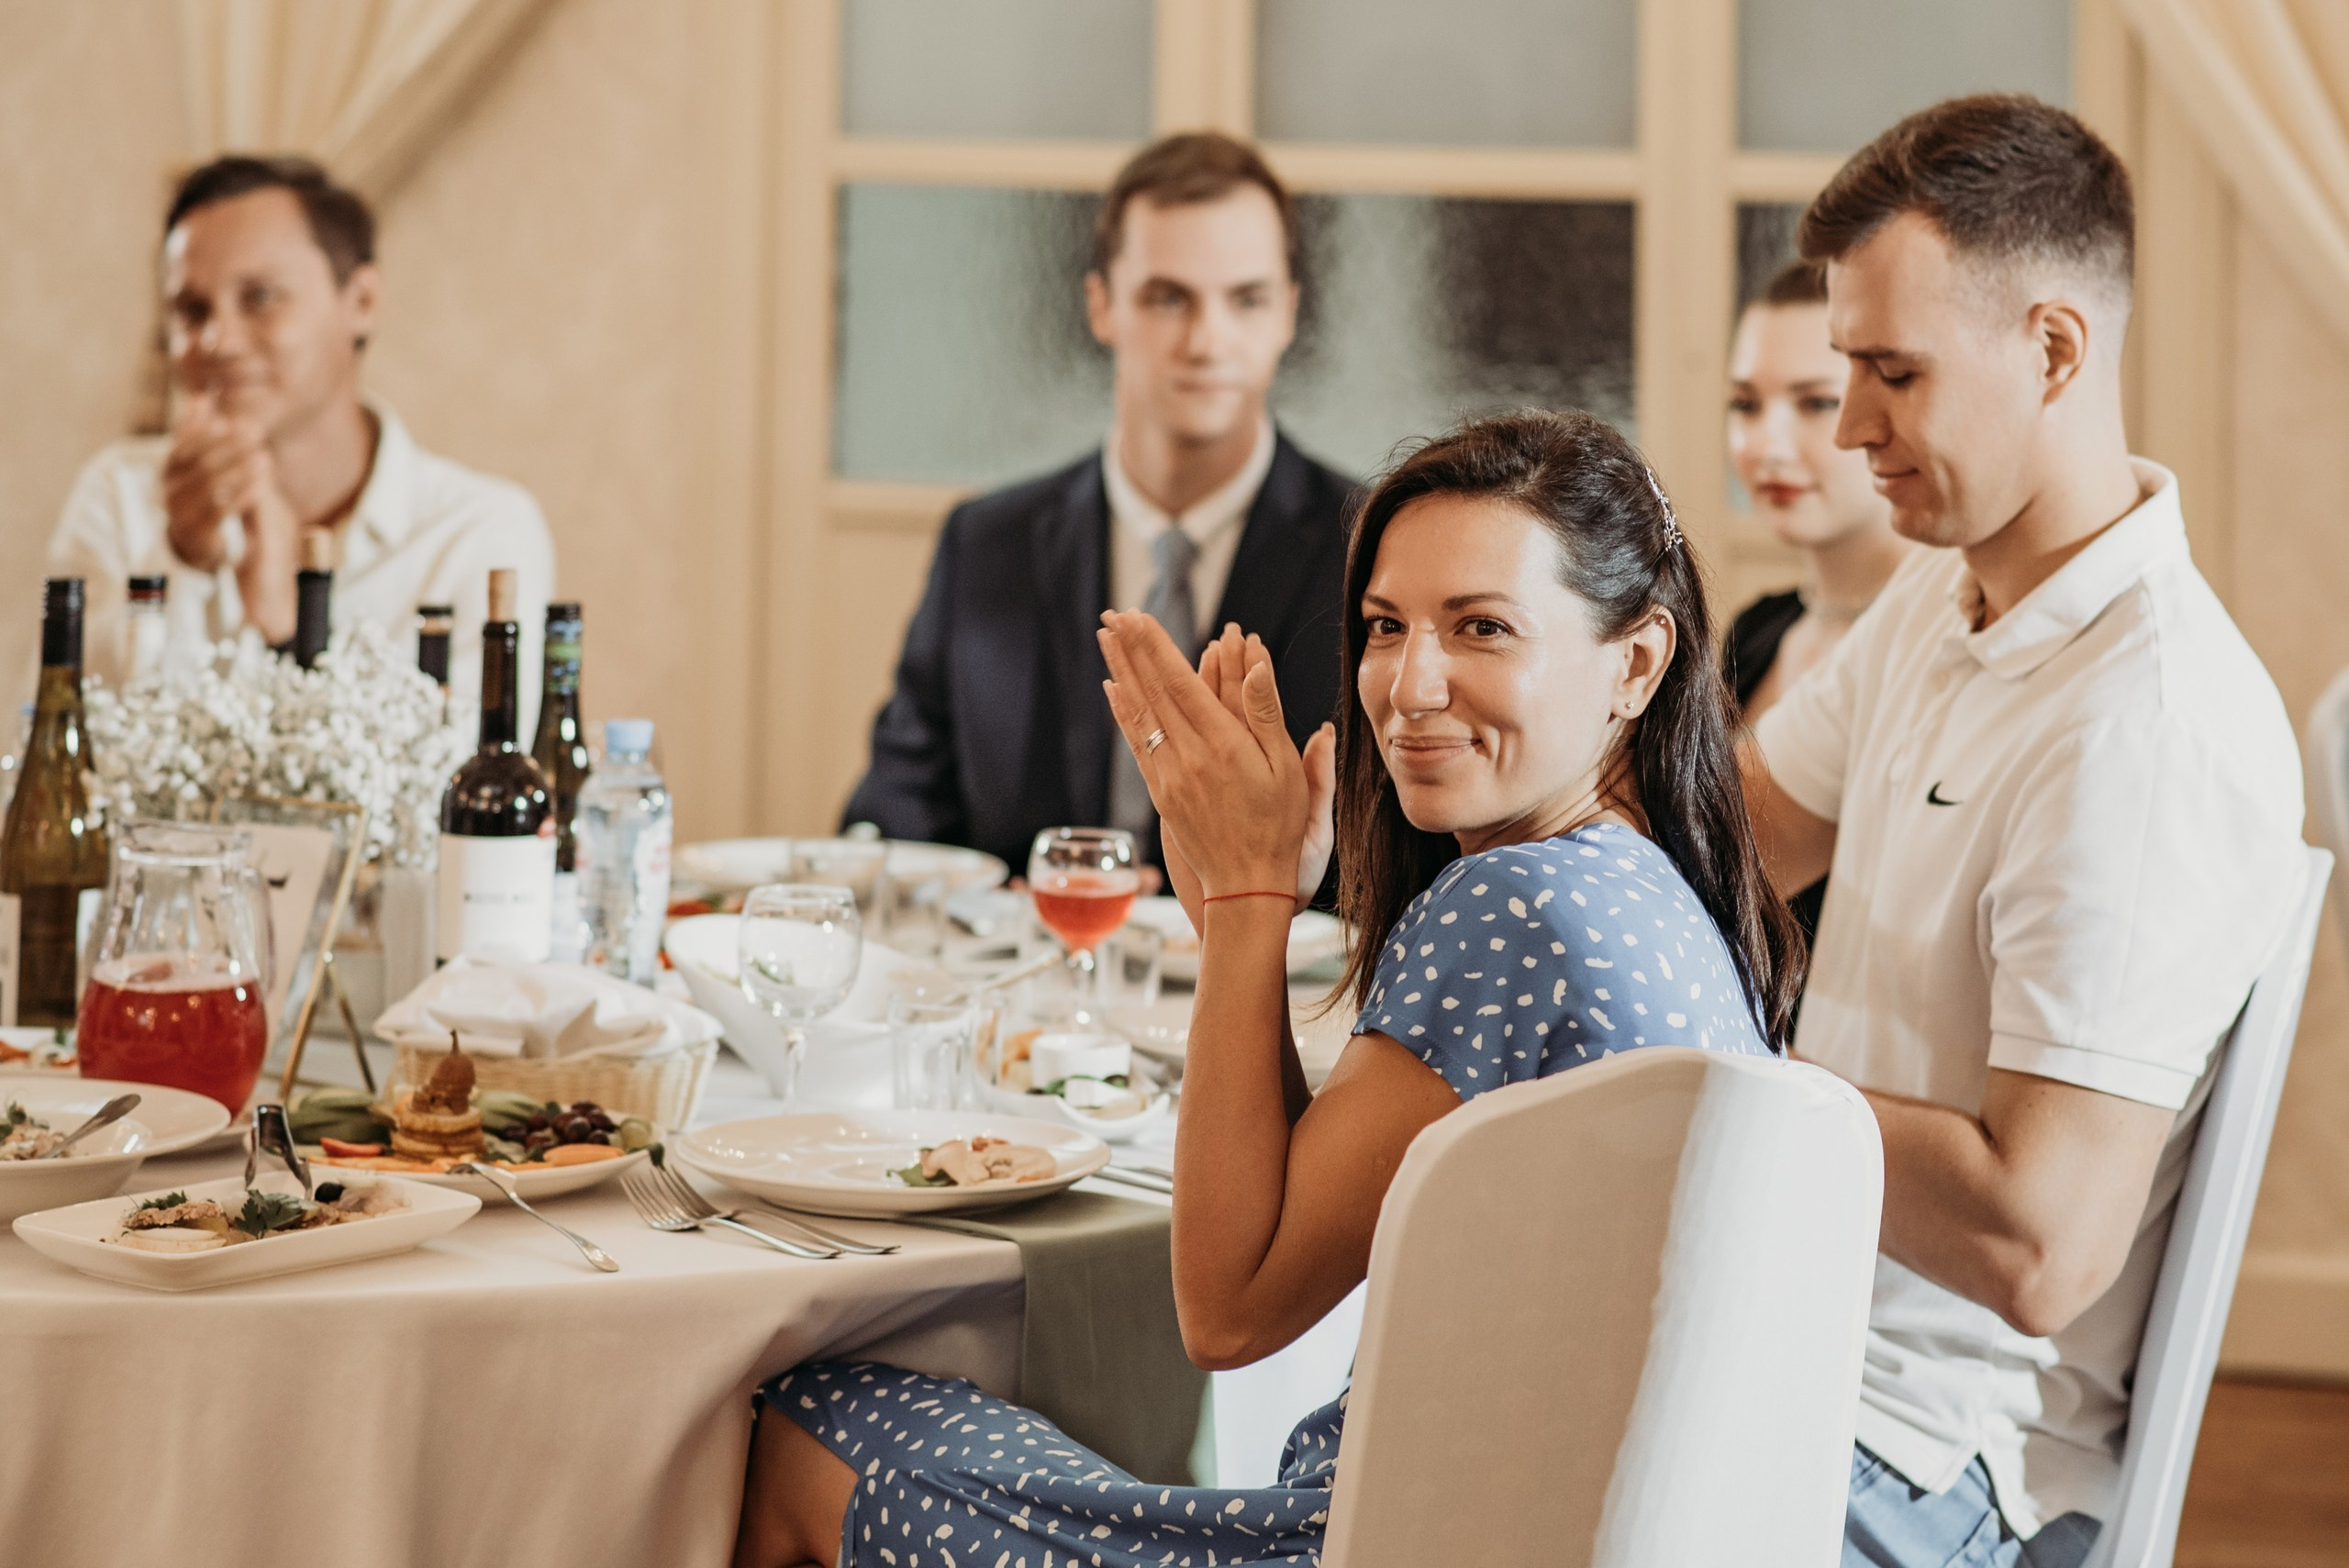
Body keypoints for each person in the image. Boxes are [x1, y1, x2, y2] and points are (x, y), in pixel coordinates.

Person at [732, 410, 1804, 1568]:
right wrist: (1235, 919)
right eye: (1385, 627)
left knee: (808, 1416)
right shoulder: (1655, 890)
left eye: (1482, 627)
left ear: (1635, 663)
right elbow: (1299, 1215)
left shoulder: (1512, 908)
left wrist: (1248, 904)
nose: (1409, 685)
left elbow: (1230, 1309)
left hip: (1372, 1546)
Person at [1738, 97, 2305, 1567]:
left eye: (1893, 373)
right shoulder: (1942, 594)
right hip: (1794, 1333)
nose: (1851, 427)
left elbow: (2038, 1242)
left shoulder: (2149, 728)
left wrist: (1728, 1092)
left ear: (2055, 350)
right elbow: (1735, 839)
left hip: (1943, 1463)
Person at [841, 132, 1353, 872]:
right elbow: (891, 817)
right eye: (1168, 298)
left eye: (1247, 299)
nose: (1207, 341)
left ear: (1289, 314)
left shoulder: (1370, 548)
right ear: (1101, 306)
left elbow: (1397, 851)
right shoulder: (986, 544)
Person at [46, 155, 555, 721]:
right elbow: (61, 738)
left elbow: (472, 766)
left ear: (361, 302)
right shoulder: (119, 495)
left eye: (260, 297)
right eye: (191, 310)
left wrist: (291, 630)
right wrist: (181, 560)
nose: (217, 341)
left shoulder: (476, 532)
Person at [1721, 259, 1911, 939]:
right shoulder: (1756, 630)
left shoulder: (1931, 642)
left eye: (1816, 403)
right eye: (1745, 404)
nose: (1765, 446)